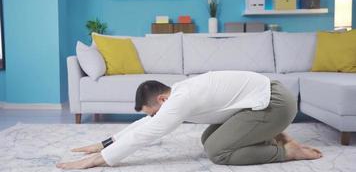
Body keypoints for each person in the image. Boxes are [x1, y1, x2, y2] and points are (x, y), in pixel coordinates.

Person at [56, 71, 322, 170]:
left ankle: (285, 151)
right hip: (261, 101)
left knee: (218, 152)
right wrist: (105, 143)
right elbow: (145, 125)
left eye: (153, 112)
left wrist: (95, 161)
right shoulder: (177, 94)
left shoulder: (179, 101)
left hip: (275, 104)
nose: (154, 118)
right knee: (208, 139)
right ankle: (272, 133)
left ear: (161, 100)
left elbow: (146, 134)